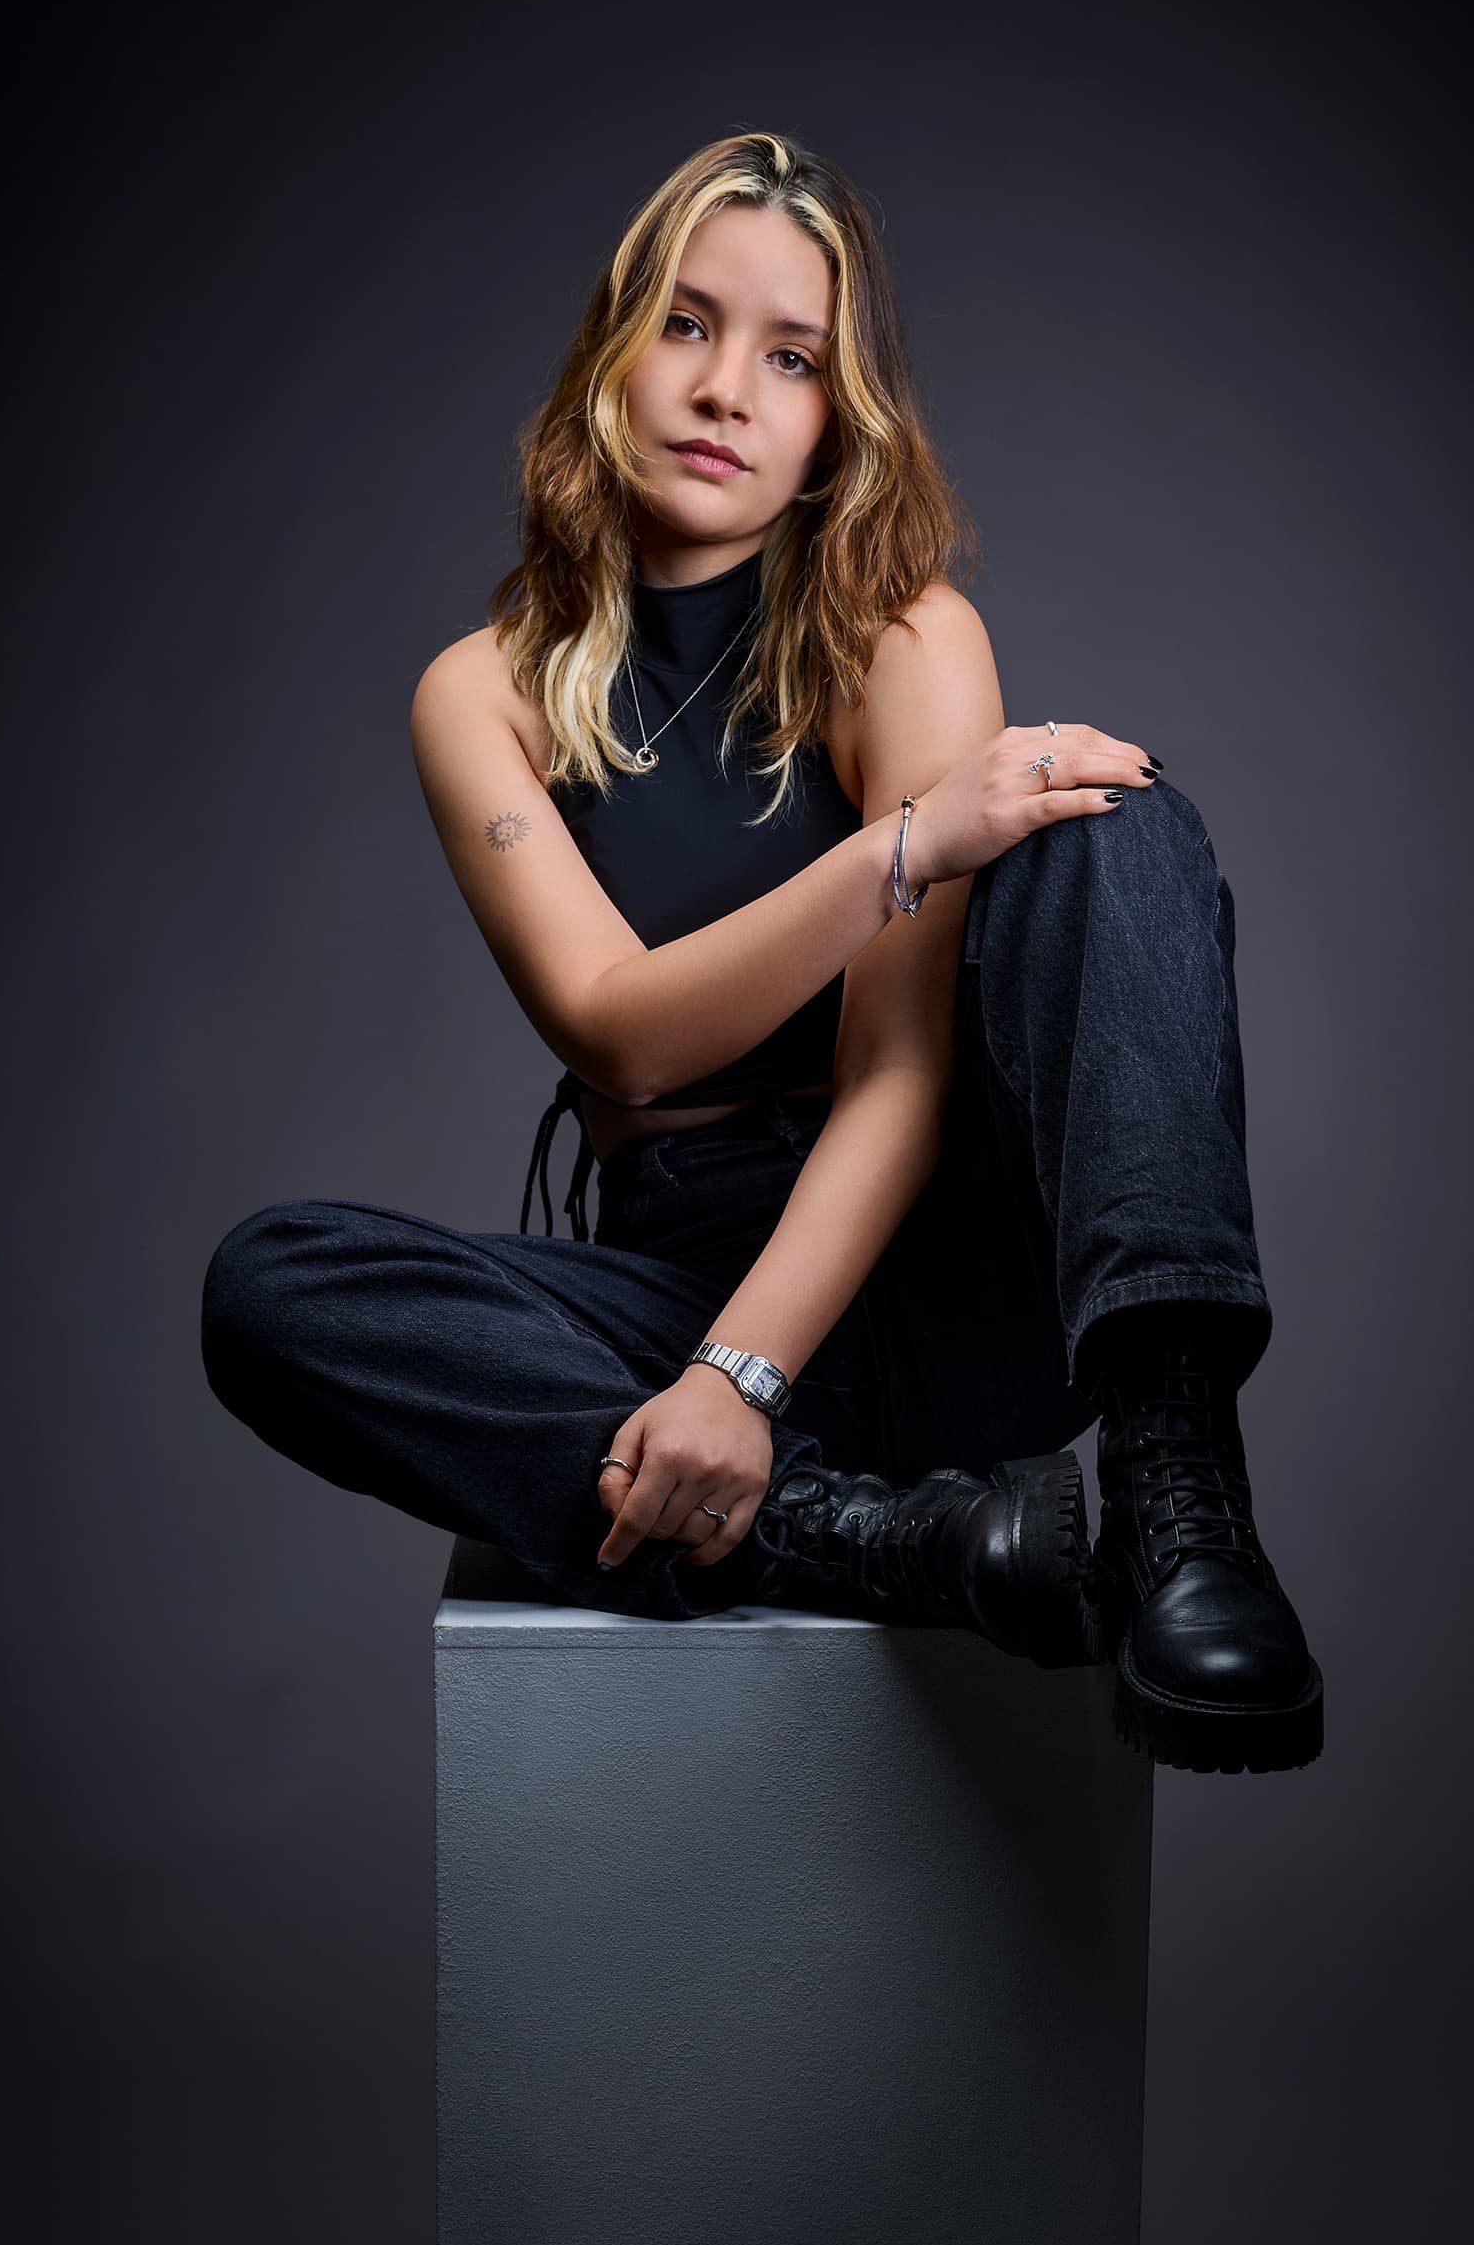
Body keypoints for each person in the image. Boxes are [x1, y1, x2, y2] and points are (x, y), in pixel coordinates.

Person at [200, 128, 1323, 1775]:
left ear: (829, 422)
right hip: (677, 1281)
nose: (728, 388)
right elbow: (618, 1036)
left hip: (934, 1271)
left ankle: (1183, 1498)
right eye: (686, 323)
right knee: (271, 1289)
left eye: (789, 356)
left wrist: (747, 1368)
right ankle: (869, 1539)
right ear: (608, 356)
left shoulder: (904, 636)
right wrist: (896, 853)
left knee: (1111, 812)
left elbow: (900, 1078)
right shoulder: (486, 693)